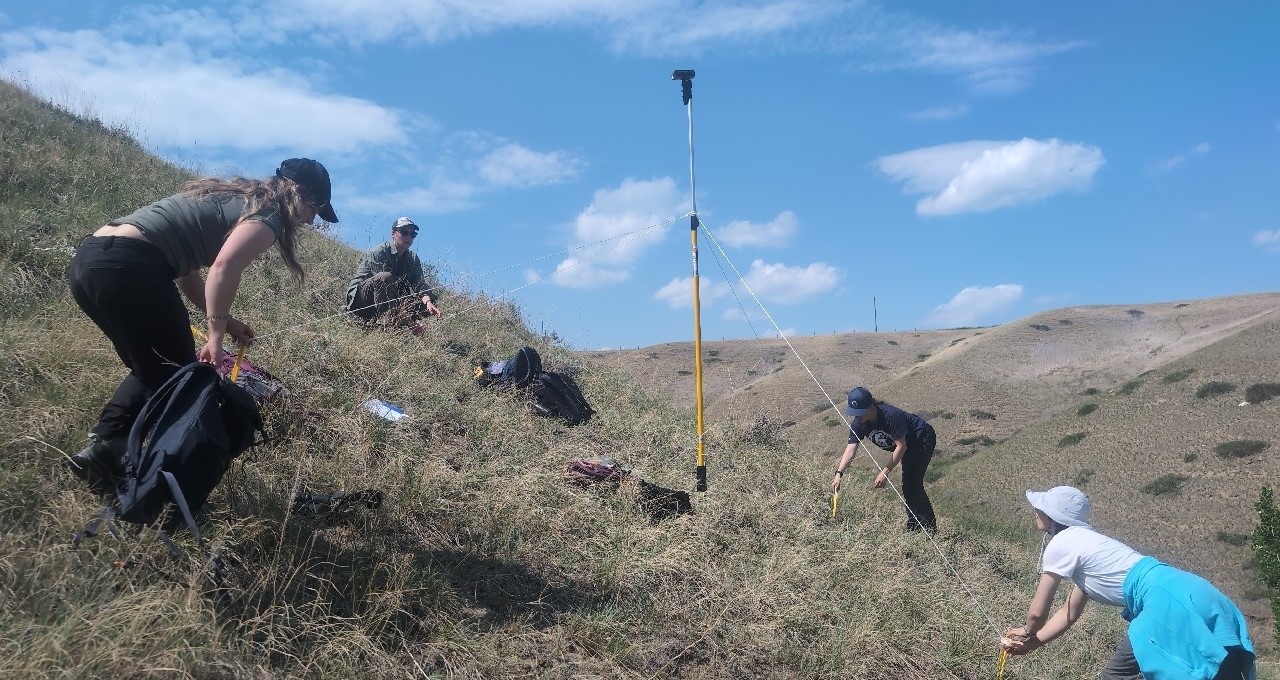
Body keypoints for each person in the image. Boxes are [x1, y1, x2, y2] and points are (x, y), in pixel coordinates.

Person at [65, 158, 338, 492]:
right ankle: (131, 463)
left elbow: (186, 273)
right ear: (298, 193)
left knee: (156, 365)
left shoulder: (235, 198)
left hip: (91, 261)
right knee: (178, 372)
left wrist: (228, 323)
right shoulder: (269, 214)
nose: (311, 219)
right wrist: (215, 337)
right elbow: (225, 266)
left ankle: (105, 450)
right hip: (130, 265)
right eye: (315, 208)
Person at [1001, 486, 1256, 680]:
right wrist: (1034, 643)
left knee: (1117, 676)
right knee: (1218, 663)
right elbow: (1069, 612)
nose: (1035, 511)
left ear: (1052, 516)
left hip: (1161, 598)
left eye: (1040, 507)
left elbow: (1037, 612)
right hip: (1188, 587)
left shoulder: (1061, 543)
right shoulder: (1090, 543)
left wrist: (1028, 631)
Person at [830, 386, 937, 533]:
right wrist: (838, 474)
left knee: (911, 484)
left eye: (860, 412)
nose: (857, 416)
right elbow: (850, 450)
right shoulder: (858, 423)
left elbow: (901, 446)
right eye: (855, 412)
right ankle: (920, 527)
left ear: (871, 406)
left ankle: (925, 529)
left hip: (921, 439)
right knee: (910, 485)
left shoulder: (891, 416)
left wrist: (885, 471)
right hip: (905, 446)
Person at [344, 216, 441, 326]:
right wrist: (409, 322)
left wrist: (428, 301)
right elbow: (385, 289)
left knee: (429, 300)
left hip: (389, 300)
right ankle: (387, 324)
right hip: (362, 302)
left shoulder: (412, 258)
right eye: (404, 232)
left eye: (413, 234)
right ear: (393, 234)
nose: (408, 237)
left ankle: (399, 322)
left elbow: (419, 284)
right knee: (385, 277)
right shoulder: (379, 252)